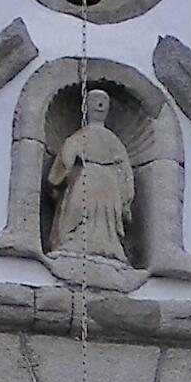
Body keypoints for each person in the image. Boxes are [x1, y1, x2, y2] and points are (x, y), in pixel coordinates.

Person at [48, 89, 133, 263]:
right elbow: (66, 159)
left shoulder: (113, 140)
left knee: (104, 217)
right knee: (77, 209)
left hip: (107, 184)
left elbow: (124, 169)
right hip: (85, 178)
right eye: (95, 101)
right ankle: (75, 242)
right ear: (86, 106)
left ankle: (107, 247)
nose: (100, 105)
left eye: (103, 101)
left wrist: (126, 195)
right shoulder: (79, 137)